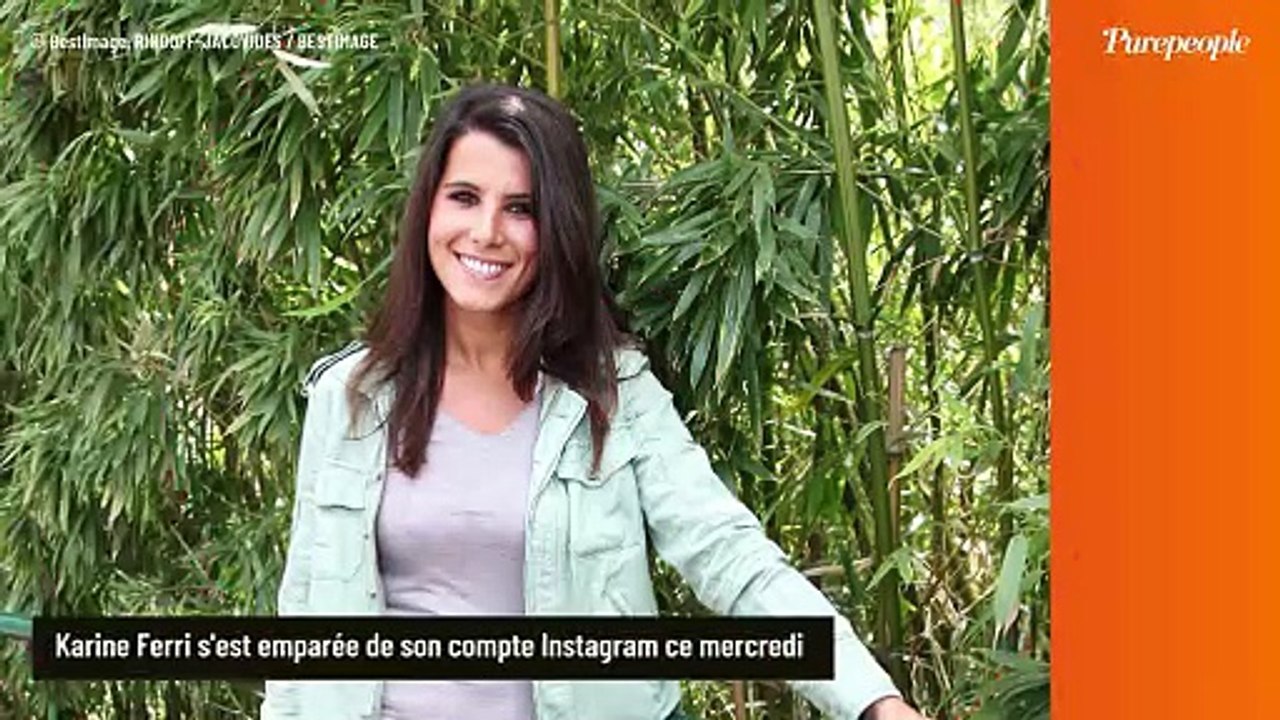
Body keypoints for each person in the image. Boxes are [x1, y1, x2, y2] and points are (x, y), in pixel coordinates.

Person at [260, 83, 926, 720]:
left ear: (559, 228)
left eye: (521, 209)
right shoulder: (350, 398)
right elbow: (306, 624)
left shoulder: (612, 395)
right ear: (428, 209)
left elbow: (731, 556)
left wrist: (874, 700)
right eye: (464, 197)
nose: (486, 231)